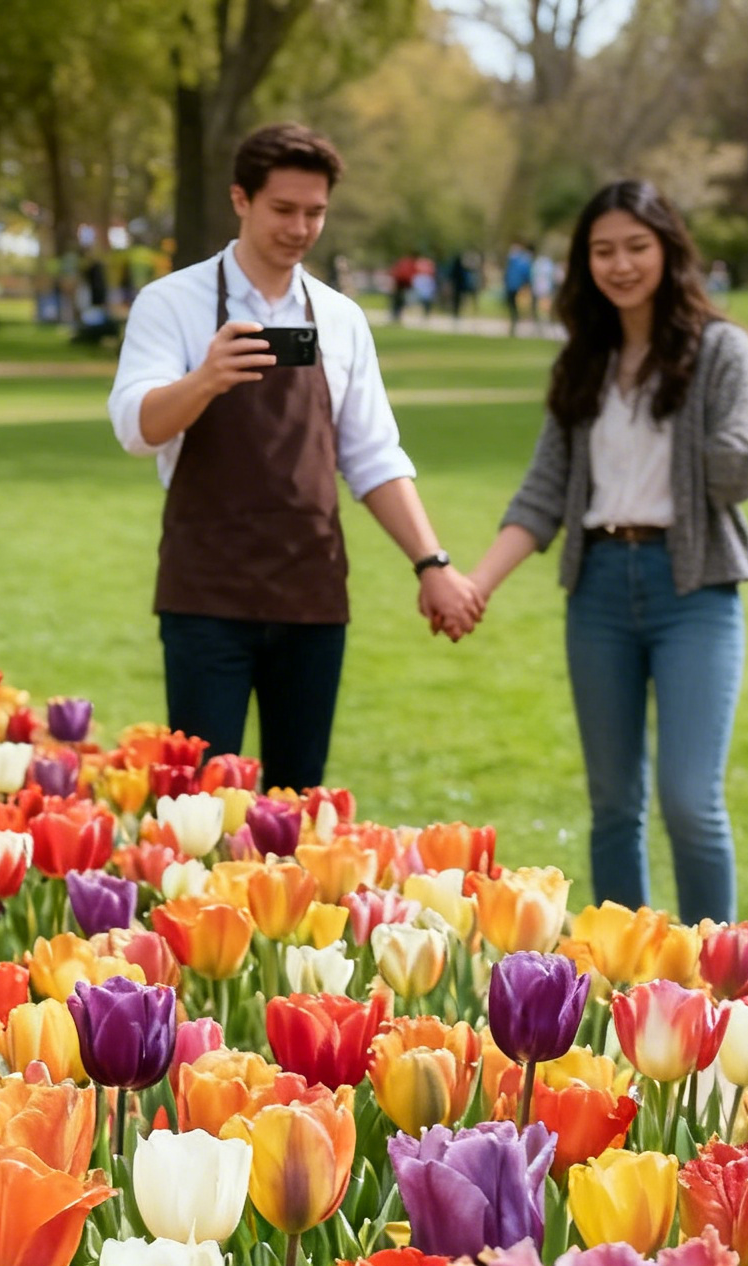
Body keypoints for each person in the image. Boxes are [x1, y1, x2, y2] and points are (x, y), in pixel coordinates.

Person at [106, 123, 483, 790]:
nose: (300, 228)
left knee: (298, 803)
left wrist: (434, 565)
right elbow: (137, 429)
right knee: (200, 807)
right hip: (206, 597)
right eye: (284, 209)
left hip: (311, 596)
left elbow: (372, 455)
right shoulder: (173, 304)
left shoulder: (340, 318)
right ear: (241, 200)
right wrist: (205, 378)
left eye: (315, 212)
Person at [466, 180, 748, 925]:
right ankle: (626, 987)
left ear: (669, 249)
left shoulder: (720, 348)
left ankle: (716, 987)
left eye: (637, 246)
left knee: (692, 801)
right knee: (612, 806)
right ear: (584, 262)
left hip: (692, 589)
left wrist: (688, 387)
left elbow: (742, 472)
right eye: (604, 251)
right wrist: (476, 584)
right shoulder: (584, 360)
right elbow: (543, 493)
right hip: (597, 587)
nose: (621, 264)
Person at [504, 241, 533, 332]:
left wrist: (525, 284)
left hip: (516, 286)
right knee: (511, 303)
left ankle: (516, 319)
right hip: (511, 285)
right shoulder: (513, 261)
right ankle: (514, 319)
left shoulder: (520, 261)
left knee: (515, 303)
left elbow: (525, 274)